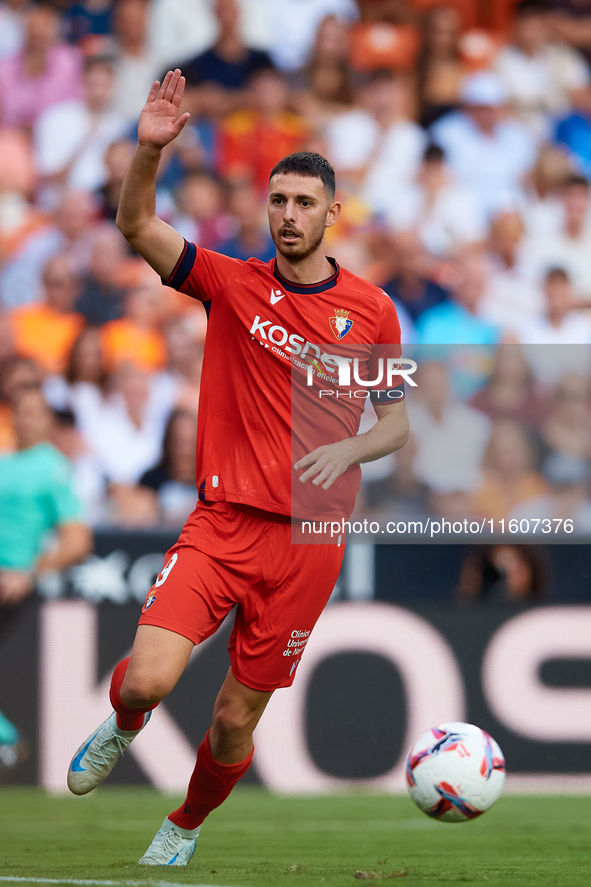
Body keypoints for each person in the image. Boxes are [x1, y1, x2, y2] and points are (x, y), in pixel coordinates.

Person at [66, 69, 409, 866]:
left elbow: (392, 424)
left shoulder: (371, 310)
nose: (288, 215)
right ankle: (122, 725)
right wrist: (149, 151)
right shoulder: (231, 283)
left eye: (303, 203)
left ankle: (182, 826)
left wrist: (347, 446)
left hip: (309, 542)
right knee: (147, 681)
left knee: (232, 721)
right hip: (222, 523)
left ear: (333, 212)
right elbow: (136, 223)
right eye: (278, 200)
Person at [0, 387, 92, 764]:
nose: (25, 419)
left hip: (10, 579)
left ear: (48, 422)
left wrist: (29, 572)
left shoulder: (52, 467)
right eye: (20, 411)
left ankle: (6, 740)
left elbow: (77, 539)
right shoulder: (5, 460)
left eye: (35, 412)